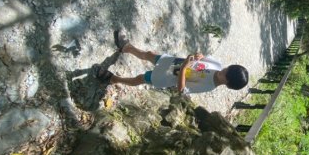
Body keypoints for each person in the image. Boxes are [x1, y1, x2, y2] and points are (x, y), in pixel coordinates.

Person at [96, 31, 248, 94]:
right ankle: (127, 48)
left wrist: (184, 68)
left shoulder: (208, 86)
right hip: (173, 62)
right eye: (227, 68)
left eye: (226, 75)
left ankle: (113, 79)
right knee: (150, 55)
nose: (223, 71)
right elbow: (202, 58)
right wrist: (198, 56)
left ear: (227, 84)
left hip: (167, 77)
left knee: (141, 78)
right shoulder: (217, 65)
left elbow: (181, 90)